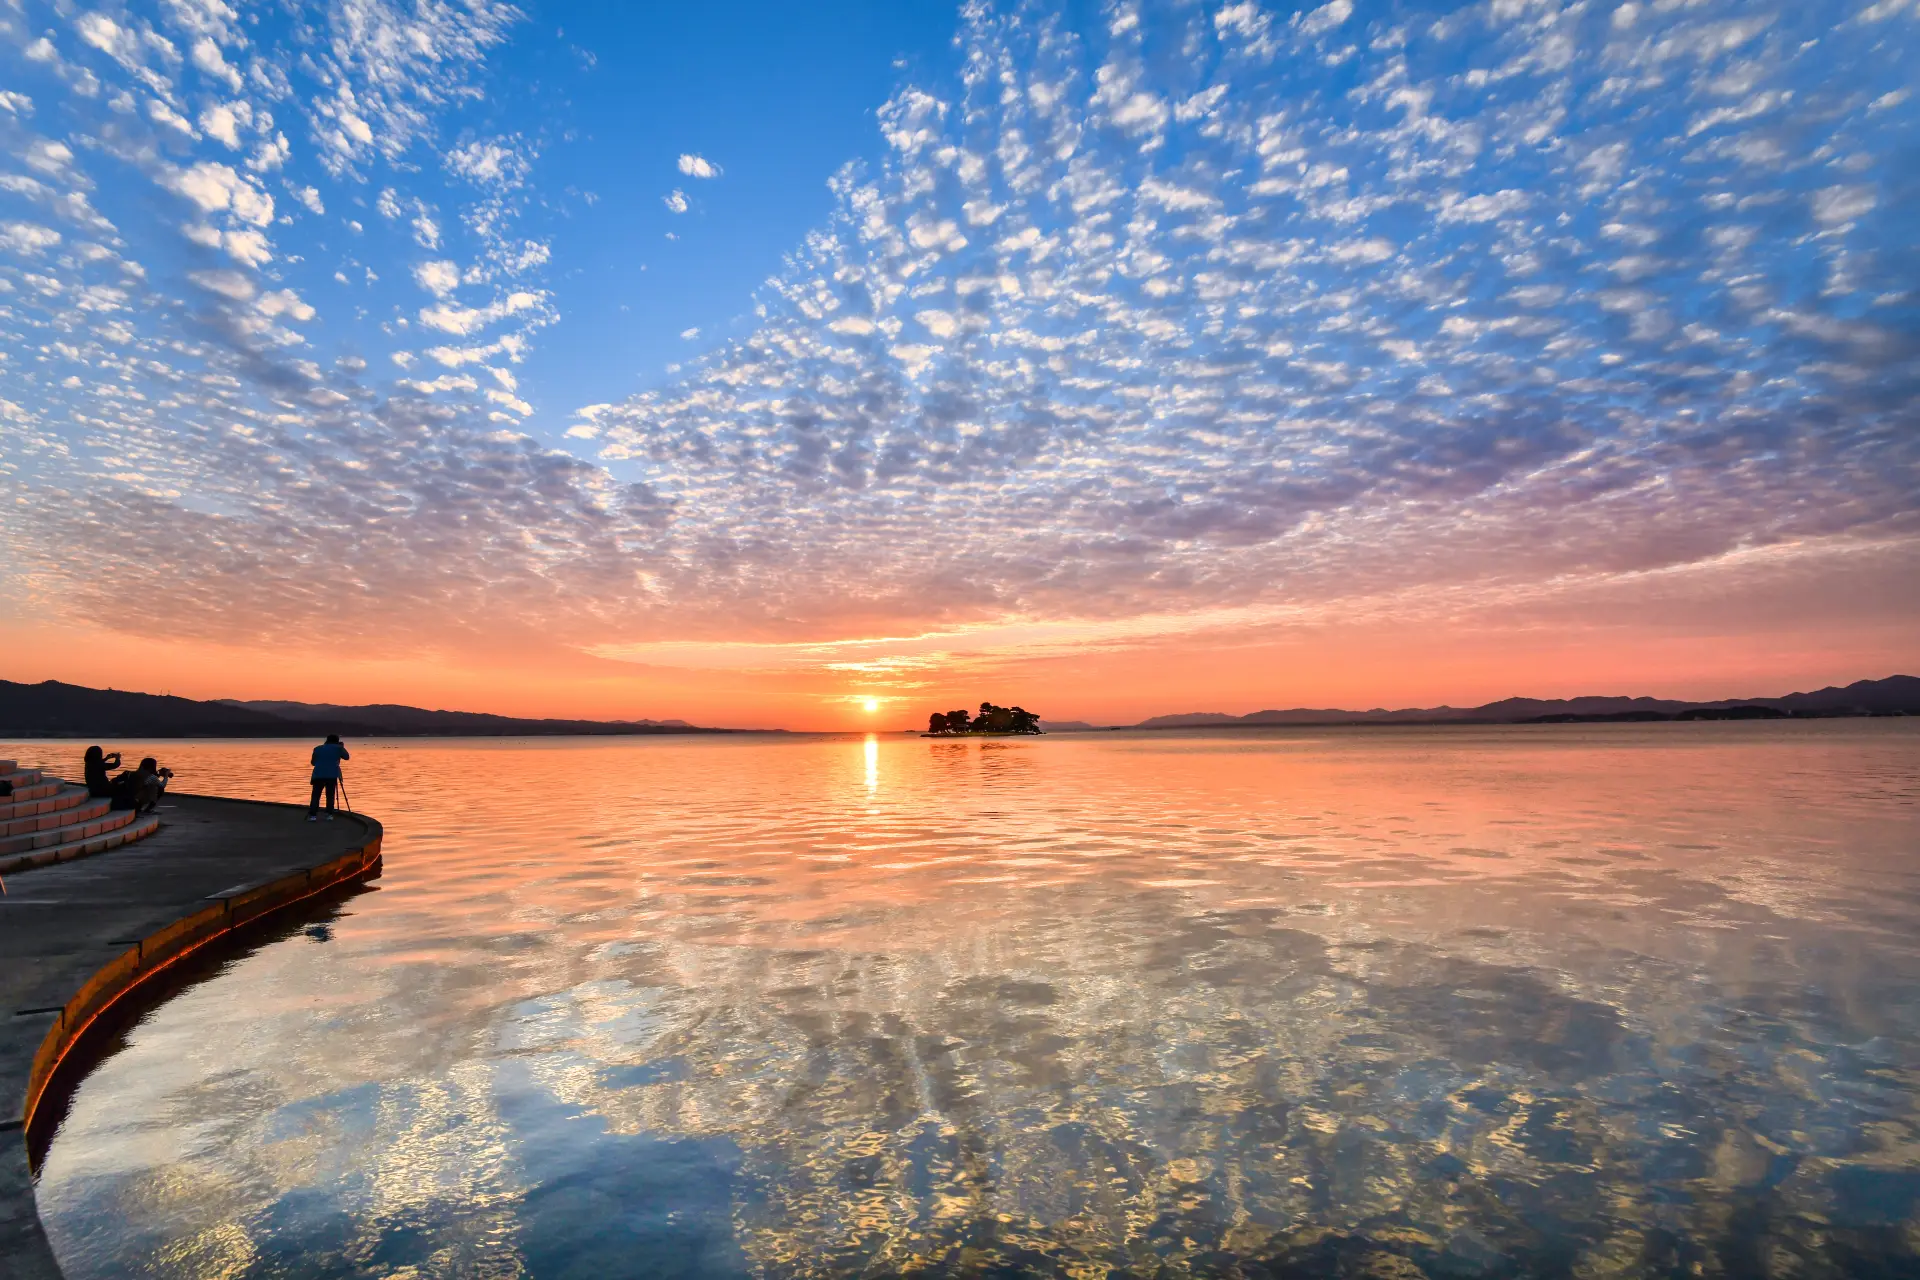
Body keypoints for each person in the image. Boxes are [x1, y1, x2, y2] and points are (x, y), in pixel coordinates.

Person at [308, 734, 350, 821]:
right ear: (337, 741)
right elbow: (346, 757)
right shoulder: (338, 748)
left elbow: (313, 763)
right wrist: (342, 747)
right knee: (330, 795)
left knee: (316, 795)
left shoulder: (317, 748)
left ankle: (312, 815)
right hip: (331, 775)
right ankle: (329, 815)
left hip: (318, 774)